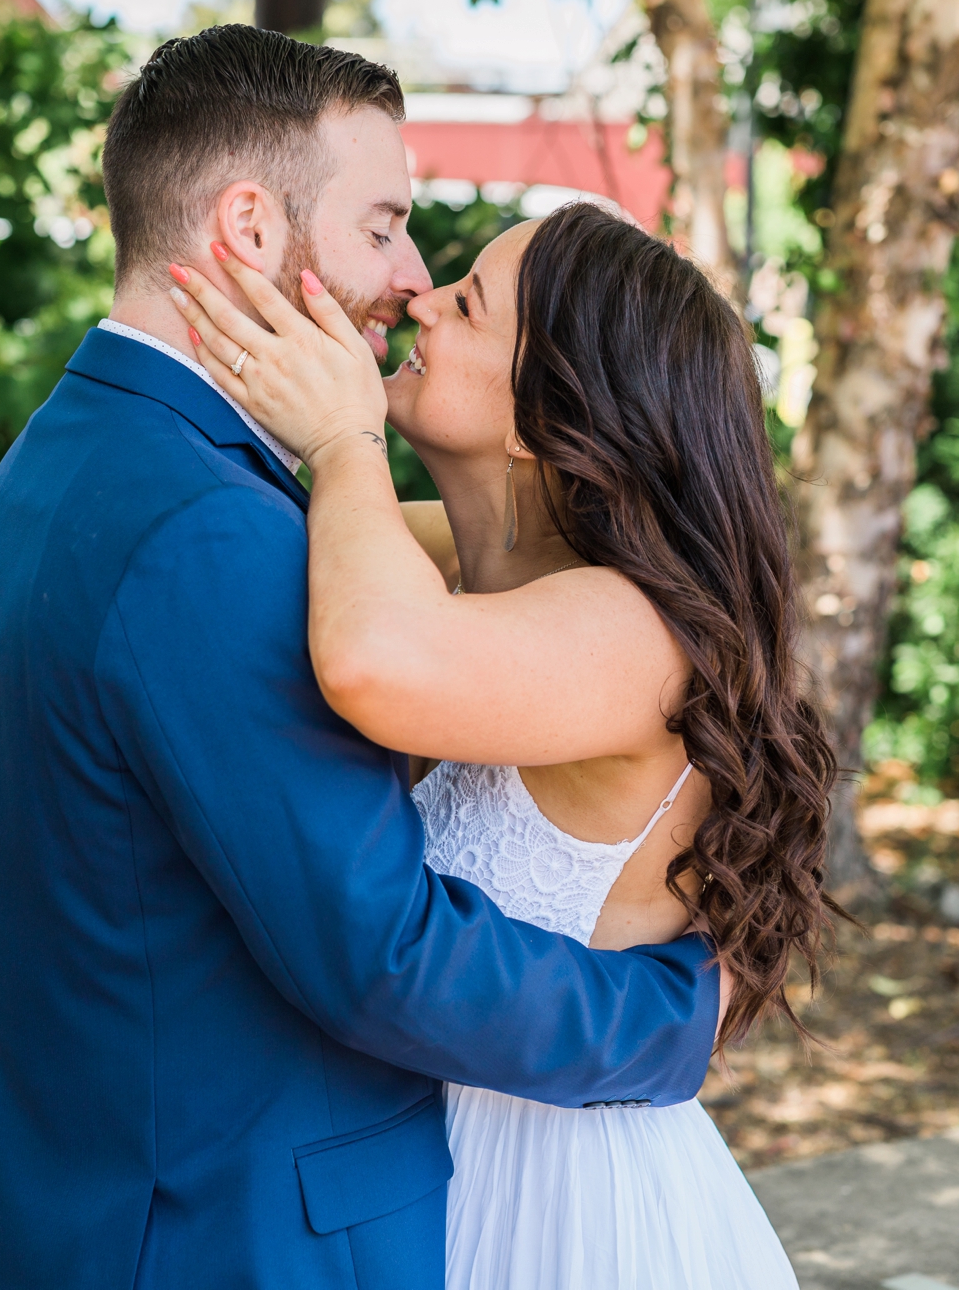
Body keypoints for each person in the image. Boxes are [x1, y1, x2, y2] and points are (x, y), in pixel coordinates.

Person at [0, 28, 726, 1289]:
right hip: (209, 1235)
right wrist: (669, 1015)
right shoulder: (211, 531)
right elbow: (379, 955)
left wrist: (353, 452)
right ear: (249, 228)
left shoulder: (79, 460)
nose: (409, 276)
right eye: (381, 226)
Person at [169, 198, 841, 1289]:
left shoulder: (636, 634)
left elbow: (373, 659)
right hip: (417, 1170)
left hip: (560, 1212)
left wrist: (343, 442)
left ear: (546, 408)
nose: (422, 299)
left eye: (468, 302)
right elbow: (301, 549)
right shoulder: (476, 567)